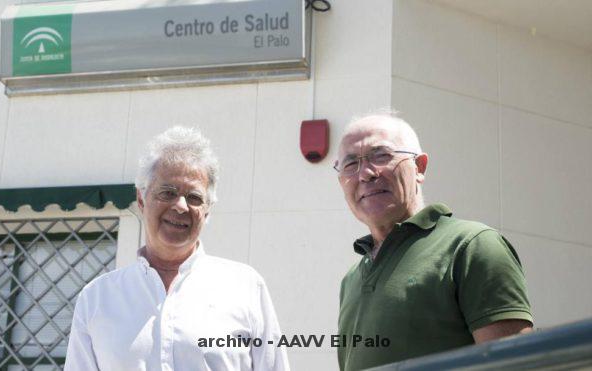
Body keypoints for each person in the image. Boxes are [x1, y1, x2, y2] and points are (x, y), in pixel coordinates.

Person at [65, 126, 289, 371]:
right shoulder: (98, 298)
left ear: (207, 210)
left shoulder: (246, 288)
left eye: (194, 197)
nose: (181, 206)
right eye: (167, 193)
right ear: (141, 200)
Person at [335, 112, 533, 371]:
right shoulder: (351, 279)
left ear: (419, 167)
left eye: (381, 155)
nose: (365, 174)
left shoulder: (472, 246)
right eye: (351, 164)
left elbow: (515, 365)